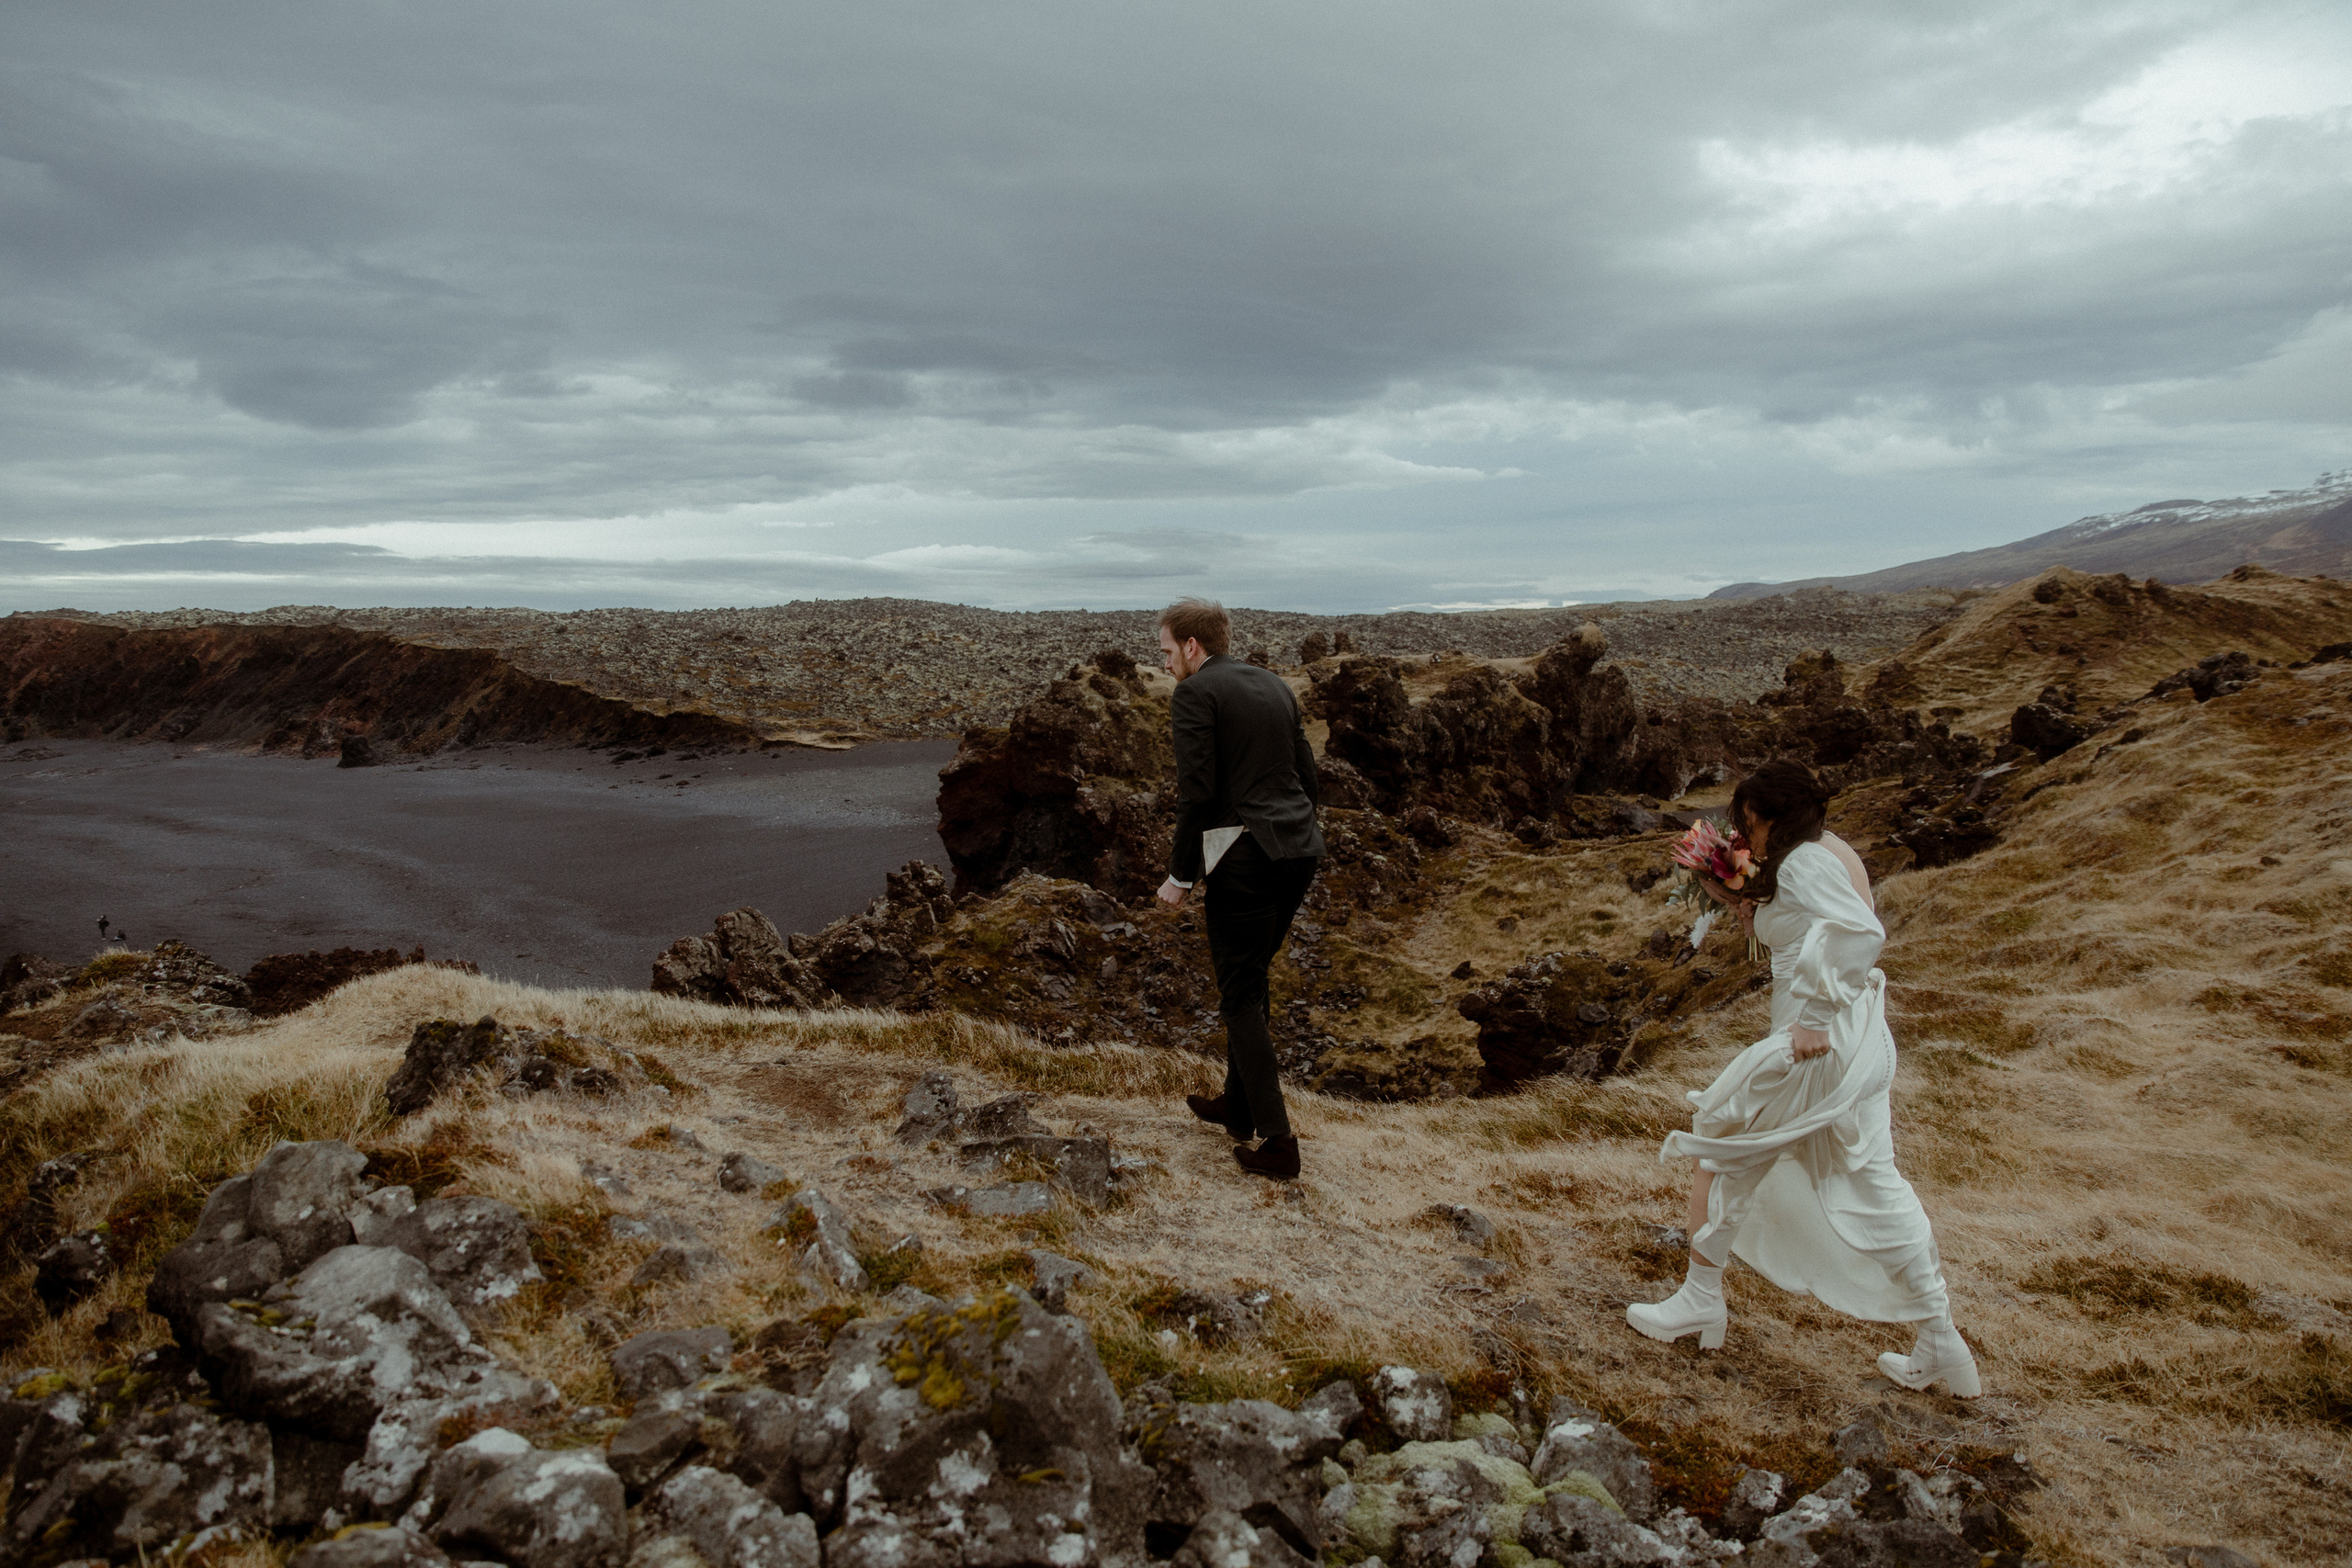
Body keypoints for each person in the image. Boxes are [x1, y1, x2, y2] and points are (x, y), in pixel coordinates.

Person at [1625, 758, 1980, 1398]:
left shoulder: (1803, 862)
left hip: (1815, 1047)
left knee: (1723, 1149)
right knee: (1875, 1177)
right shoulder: (1824, 850)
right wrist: (1742, 905)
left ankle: (1699, 1299)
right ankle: (1942, 1340)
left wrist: (1812, 1019)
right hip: (1860, 1040)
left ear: (1762, 817)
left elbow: (1858, 932)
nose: (1744, 835)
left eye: (1745, 823)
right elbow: (1819, 926)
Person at [1152, 598, 1325, 1180]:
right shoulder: (1272, 684)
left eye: (1168, 650)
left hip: (1247, 858)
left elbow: (1196, 792)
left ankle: (1279, 1144)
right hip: (1300, 849)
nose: (1166, 661)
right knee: (1251, 979)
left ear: (1193, 647)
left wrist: (1180, 876)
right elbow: (1307, 774)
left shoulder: (1195, 694)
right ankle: (1238, 1105)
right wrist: (1292, 826)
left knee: (1239, 994)